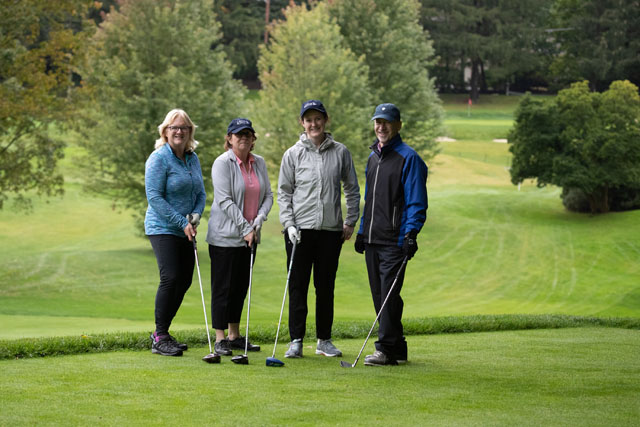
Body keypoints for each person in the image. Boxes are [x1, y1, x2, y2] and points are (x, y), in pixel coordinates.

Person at [278, 100, 360, 358]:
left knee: (325, 287)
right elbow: (284, 193)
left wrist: (350, 220)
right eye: (309, 120)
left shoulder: (340, 152)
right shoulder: (292, 154)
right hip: (299, 232)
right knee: (298, 287)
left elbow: (352, 188)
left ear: (326, 120)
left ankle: (324, 340)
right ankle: (296, 341)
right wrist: (289, 224)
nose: (313, 124)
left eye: (318, 119)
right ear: (302, 123)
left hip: (330, 231)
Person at [354, 103, 428, 366]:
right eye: (378, 122)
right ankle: (397, 347)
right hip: (373, 238)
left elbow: (416, 201)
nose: (381, 127)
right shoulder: (373, 157)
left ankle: (384, 348)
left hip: (395, 240)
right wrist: (362, 231)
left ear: (398, 125)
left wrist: (411, 234)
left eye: (386, 122)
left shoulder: (409, 158)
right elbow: (369, 200)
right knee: (381, 295)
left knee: (388, 294)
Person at [206, 118, 273, 356]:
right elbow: (224, 200)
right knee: (223, 288)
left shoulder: (259, 162)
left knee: (240, 287)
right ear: (229, 138)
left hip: (250, 236)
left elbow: (268, 195)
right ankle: (220, 337)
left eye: (248, 134)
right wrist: (245, 227)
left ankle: (234, 336)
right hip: (225, 237)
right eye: (238, 134)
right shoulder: (222, 163)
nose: (243, 137)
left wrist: (260, 218)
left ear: (253, 139)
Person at [145, 108, 206, 357]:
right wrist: (181, 221)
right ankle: (160, 336)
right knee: (170, 277)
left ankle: (163, 333)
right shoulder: (159, 158)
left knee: (184, 280)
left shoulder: (192, 158)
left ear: (190, 131)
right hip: (162, 227)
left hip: (186, 228)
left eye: (183, 127)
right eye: (174, 127)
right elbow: (154, 197)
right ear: (165, 131)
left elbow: (201, 192)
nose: (179, 131)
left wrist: (196, 215)